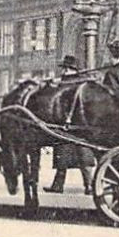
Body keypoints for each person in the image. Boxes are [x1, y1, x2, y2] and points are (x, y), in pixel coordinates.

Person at [47, 55, 94, 193]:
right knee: (83, 154)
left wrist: (53, 83)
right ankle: (89, 185)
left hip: (67, 123)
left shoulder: (67, 82)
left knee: (63, 154)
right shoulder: (81, 81)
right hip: (81, 124)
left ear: (68, 69)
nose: (62, 72)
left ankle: (58, 185)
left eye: (64, 69)